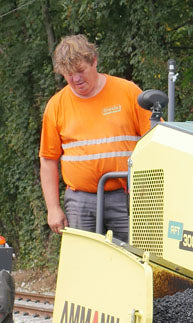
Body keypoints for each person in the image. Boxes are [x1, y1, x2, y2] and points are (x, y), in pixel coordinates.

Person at [39, 34, 152, 243]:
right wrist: (53, 208)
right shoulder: (56, 105)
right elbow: (48, 160)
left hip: (126, 195)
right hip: (80, 200)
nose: (76, 79)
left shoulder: (127, 92)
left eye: (80, 71)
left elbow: (156, 140)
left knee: (134, 258)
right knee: (85, 261)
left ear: (94, 61)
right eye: (68, 74)